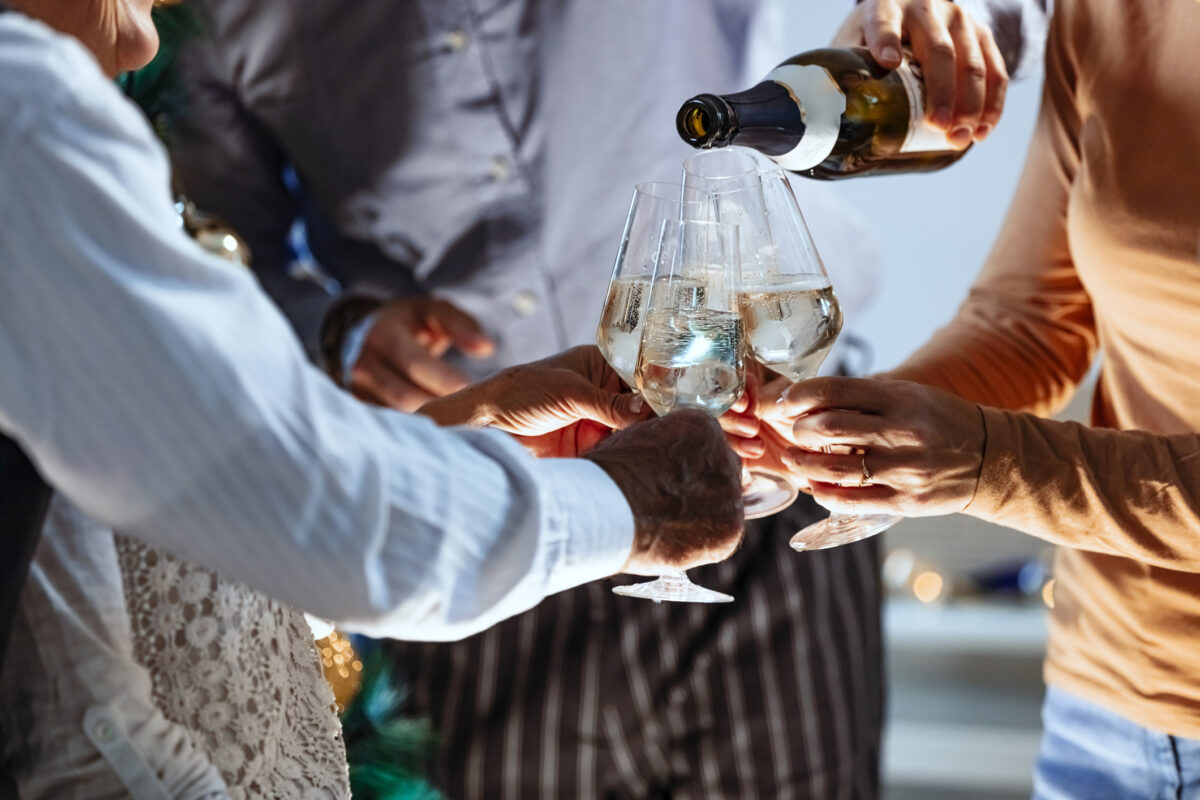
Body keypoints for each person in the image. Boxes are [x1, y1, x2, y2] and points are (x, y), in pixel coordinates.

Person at [164, 0, 1034, 796]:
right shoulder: (207, 16)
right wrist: (340, 332)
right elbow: (199, 252)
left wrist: (948, 19)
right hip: (490, 530)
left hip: (763, 494)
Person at [0, 0, 747, 795]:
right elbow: (318, 521)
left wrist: (450, 434)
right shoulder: (21, 110)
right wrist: (627, 502)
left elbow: (130, 555)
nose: (167, 18)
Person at [774, 0, 1200, 796]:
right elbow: (1029, 325)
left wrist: (986, 464)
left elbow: (990, 454)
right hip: (1103, 718)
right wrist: (843, 425)